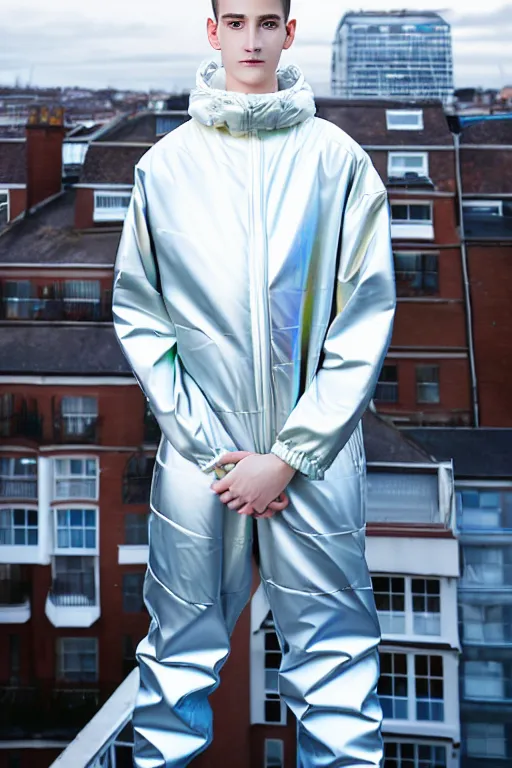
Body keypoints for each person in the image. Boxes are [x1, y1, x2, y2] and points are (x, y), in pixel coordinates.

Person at [112, 0, 396, 765]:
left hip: (317, 461)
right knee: (175, 667)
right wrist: (217, 454)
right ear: (212, 31)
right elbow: (143, 320)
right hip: (199, 463)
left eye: (266, 22)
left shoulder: (338, 161)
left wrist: (292, 454)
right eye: (233, 22)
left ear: (288, 32)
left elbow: (364, 318)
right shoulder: (165, 166)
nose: (250, 38)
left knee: (337, 671)